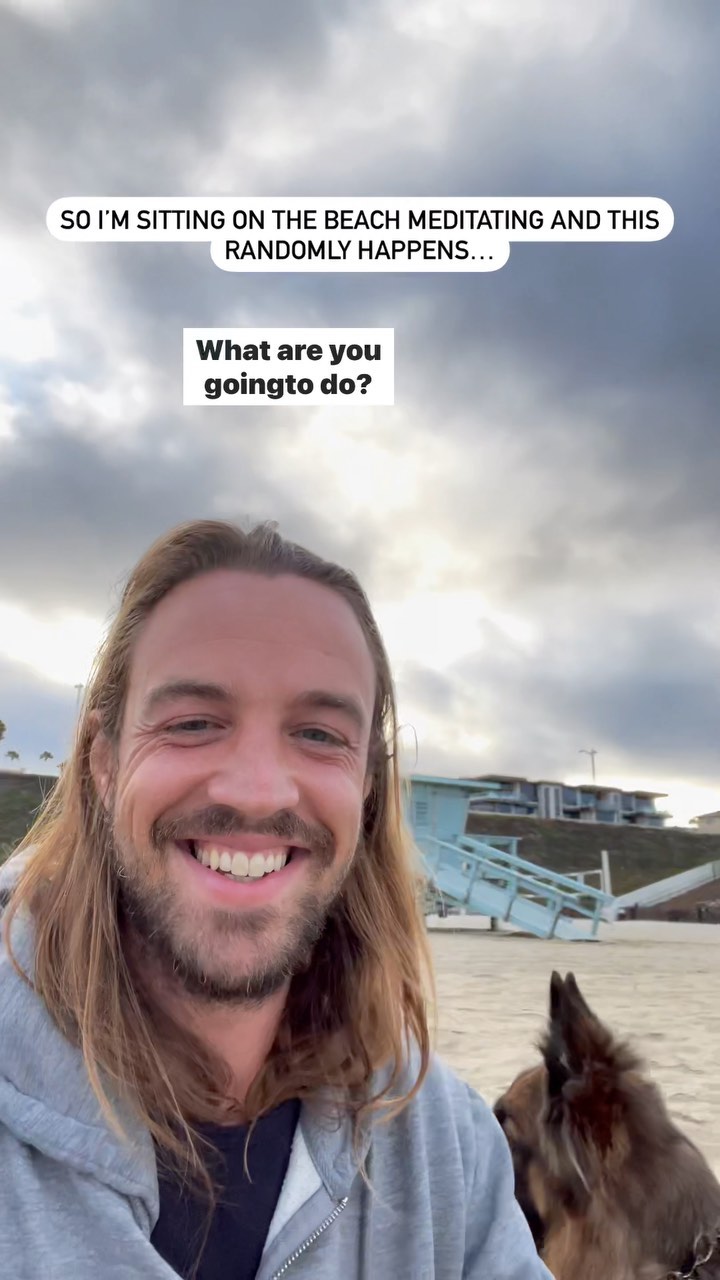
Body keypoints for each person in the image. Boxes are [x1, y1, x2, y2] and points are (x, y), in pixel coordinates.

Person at [0, 519, 551, 1279]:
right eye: (194, 723)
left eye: (319, 735)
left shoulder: (446, 1152)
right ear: (104, 761)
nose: (258, 791)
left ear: (366, 786)